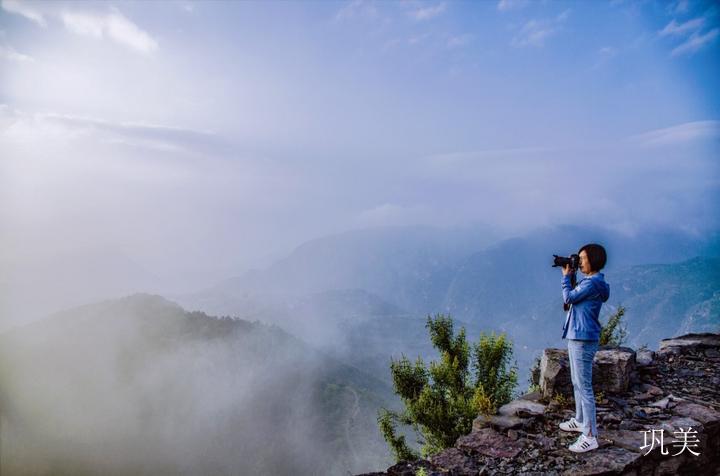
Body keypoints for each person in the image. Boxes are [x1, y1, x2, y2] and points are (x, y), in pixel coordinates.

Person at [557, 243, 610, 453]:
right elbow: (571, 302)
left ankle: (590, 435)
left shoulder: (592, 283)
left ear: (593, 261)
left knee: (584, 386)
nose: (579, 263)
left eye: (582, 259)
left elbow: (568, 298)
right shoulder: (589, 282)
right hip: (576, 335)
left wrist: (565, 278)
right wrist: (570, 278)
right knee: (576, 381)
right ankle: (580, 420)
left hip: (583, 338)